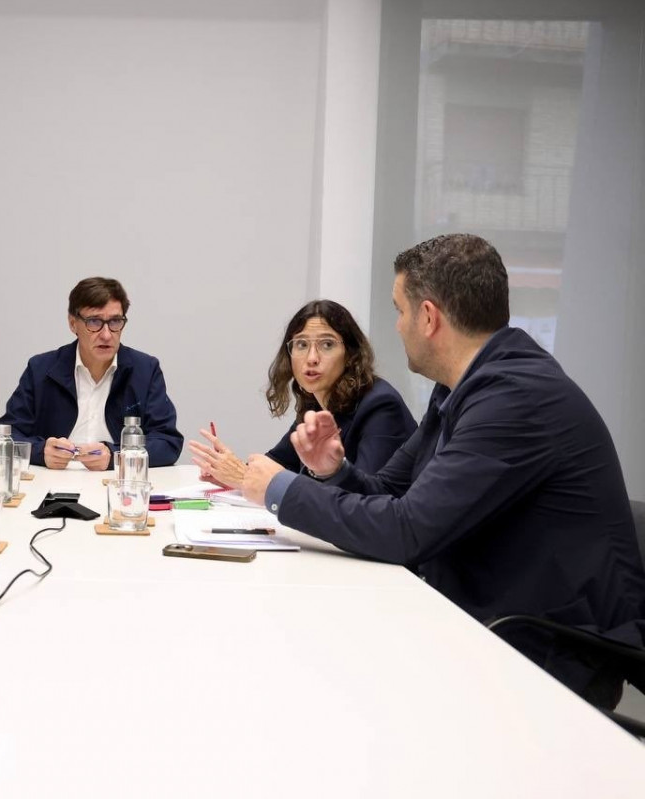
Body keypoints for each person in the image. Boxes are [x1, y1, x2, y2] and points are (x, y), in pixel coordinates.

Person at [193, 233, 645, 708]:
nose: (398, 325)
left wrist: (280, 489)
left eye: (399, 311)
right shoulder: (461, 388)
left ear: (428, 317)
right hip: (479, 616)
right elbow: (390, 489)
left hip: (538, 651)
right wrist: (333, 471)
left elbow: (407, 531)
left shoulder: (515, 397)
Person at [190, 300, 415, 478]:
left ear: (350, 355)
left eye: (327, 344)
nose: (312, 358)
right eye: (301, 344)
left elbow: (366, 497)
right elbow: (279, 462)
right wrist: (231, 471)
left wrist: (244, 478)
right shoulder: (315, 403)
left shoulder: (380, 406)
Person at [0, 277, 183, 470]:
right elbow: (7, 437)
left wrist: (115, 456)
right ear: (73, 324)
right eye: (94, 322)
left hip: (116, 479)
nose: (106, 334)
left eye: (115, 321)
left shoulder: (145, 369)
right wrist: (41, 452)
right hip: (55, 479)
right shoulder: (41, 369)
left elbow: (168, 442)